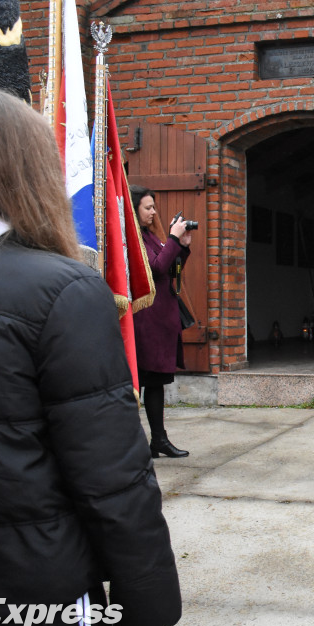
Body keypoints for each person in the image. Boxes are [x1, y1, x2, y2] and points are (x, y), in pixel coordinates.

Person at [0, 85, 181, 626]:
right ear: (33, 173)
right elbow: (110, 476)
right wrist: (145, 607)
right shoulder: (60, 291)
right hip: (28, 598)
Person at [132, 185, 192, 458]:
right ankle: (137, 444)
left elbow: (170, 267)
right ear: (133, 209)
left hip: (160, 320)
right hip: (146, 323)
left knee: (155, 384)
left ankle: (159, 441)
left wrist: (182, 246)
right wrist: (172, 238)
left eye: (154, 207)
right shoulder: (133, 239)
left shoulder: (149, 236)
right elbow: (155, 268)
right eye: (148, 207)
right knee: (142, 383)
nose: (153, 212)